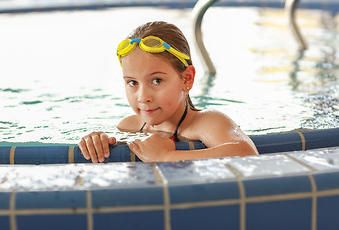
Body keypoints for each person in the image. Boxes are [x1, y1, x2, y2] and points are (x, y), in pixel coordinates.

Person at [78, 21, 258, 163]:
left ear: (187, 79)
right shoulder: (128, 127)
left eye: (157, 80)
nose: (143, 97)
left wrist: (167, 157)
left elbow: (247, 153)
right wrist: (97, 140)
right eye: (132, 82)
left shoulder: (207, 122)